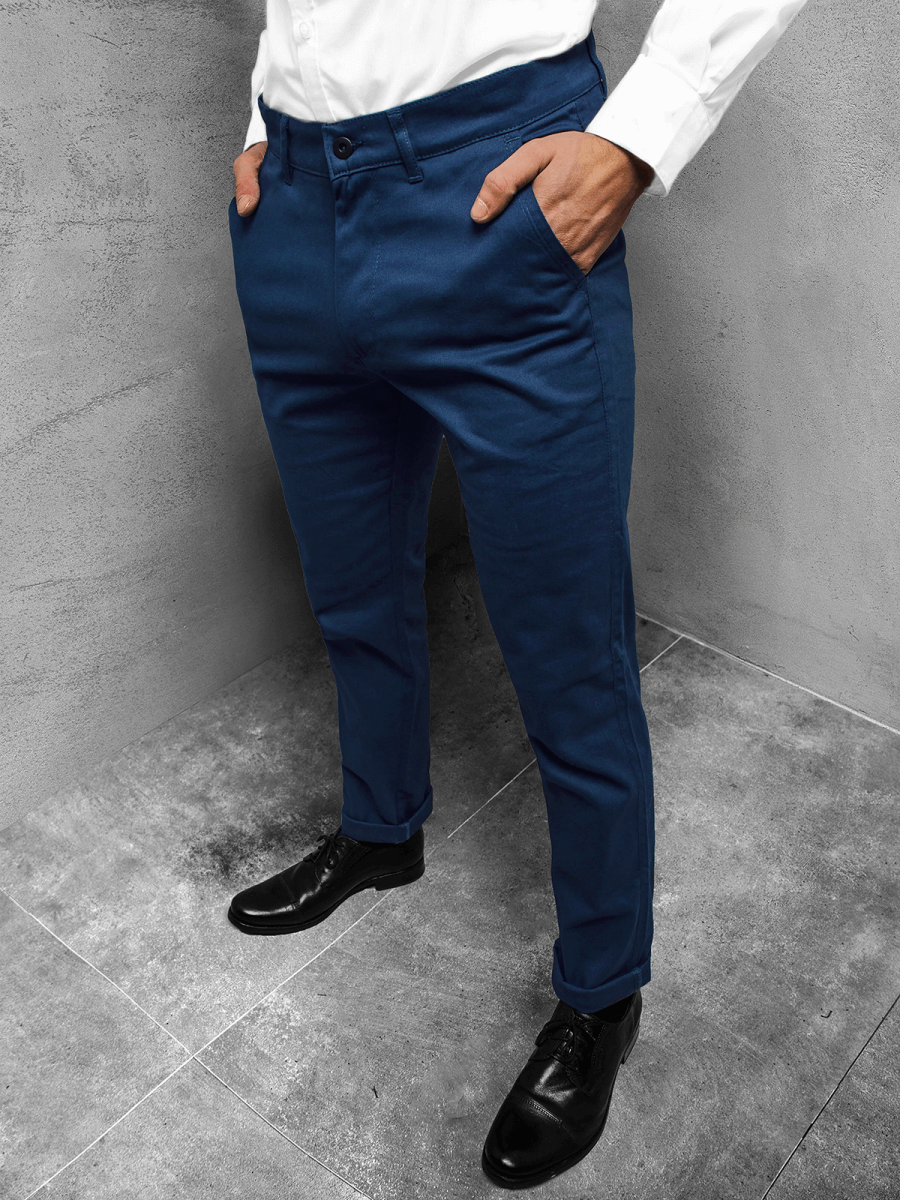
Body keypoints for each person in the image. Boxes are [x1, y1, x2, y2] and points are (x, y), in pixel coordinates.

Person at [225, 1, 808, 1187]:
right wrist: (263, 117)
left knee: (567, 650)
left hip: (496, 188)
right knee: (351, 588)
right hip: (292, 204)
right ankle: (381, 829)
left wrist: (636, 138)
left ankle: (602, 992)